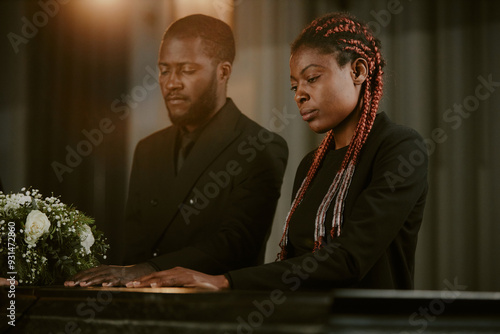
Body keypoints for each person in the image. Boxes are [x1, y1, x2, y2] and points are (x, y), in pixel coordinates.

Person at [126, 12, 428, 291]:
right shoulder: (311, 165)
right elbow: (292, 266)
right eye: (294, 85)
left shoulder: (398, 147)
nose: (300, 95)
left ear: (358, 71)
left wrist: (225, 281)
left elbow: (349, 259)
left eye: (312, 78)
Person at [64, 14, 288, 287]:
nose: (171, 83)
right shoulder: (148, 149)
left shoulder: (261, 145)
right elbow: (133, 247)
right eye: (164, 69)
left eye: (187, 70)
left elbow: (236, 244)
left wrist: (142, 270)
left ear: (224, 72)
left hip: (216, 314)